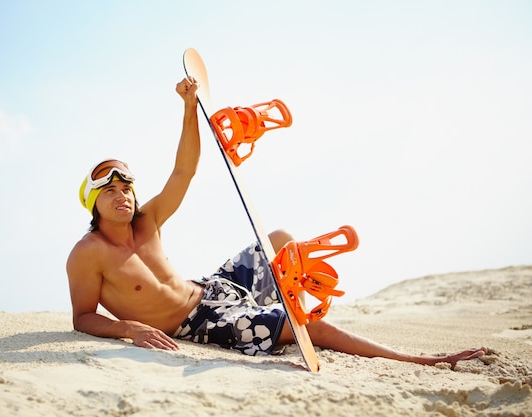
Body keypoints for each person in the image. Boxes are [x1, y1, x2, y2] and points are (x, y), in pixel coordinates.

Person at [66, 78, 487, 367]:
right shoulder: (88, 255)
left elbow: (183, 172)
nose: (122, 197)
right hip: (200, 324)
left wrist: (189, 107)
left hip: (212, 288)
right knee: (310, 328)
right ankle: (420, 359)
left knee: (282, 239)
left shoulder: (148, 221)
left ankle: (288, 302)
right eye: (109, 192)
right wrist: (129, 329)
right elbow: (82, 317)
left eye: (126, 189)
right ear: (93, 204)